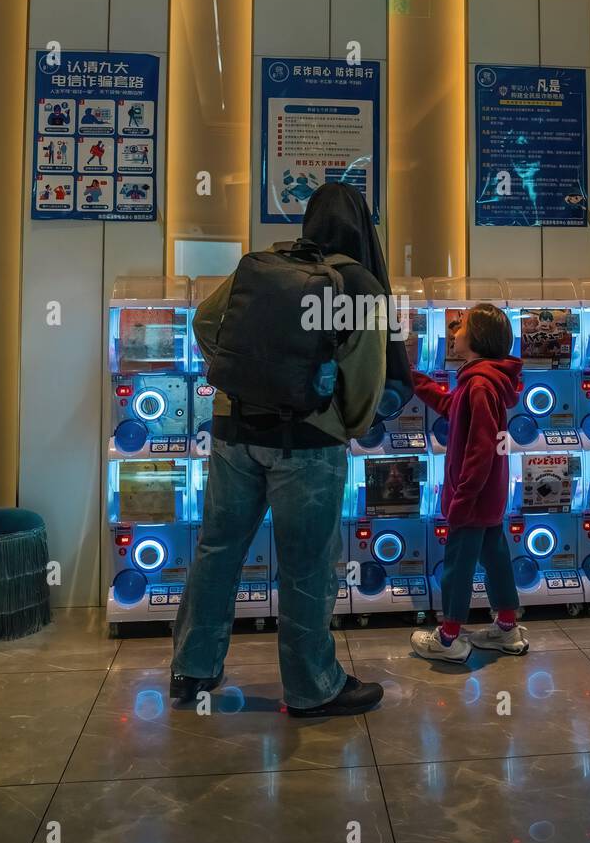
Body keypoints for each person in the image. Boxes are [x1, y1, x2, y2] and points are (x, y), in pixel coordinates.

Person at [171, 183, 411, 714]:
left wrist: (242, 375)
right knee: (307, 566)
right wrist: (343, 424)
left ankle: (192, 669)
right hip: (307, 442)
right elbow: (367, 377)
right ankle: (311, 687)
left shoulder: (261, 264)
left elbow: (205, 323)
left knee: (218, 550)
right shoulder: (358, 282)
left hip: (235, 432)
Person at [409, 304, 528, 662]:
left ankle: (448, 639)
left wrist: (461, 499)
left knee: (457, 566)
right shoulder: (482, 380)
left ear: (476, 339)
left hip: (473, 498)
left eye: (460, 328)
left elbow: (480, 450)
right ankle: (507, 628)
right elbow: (451, 406)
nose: (454, 333)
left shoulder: (478, 384)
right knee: (496, 558)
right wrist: (415, 379)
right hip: (488, 498)